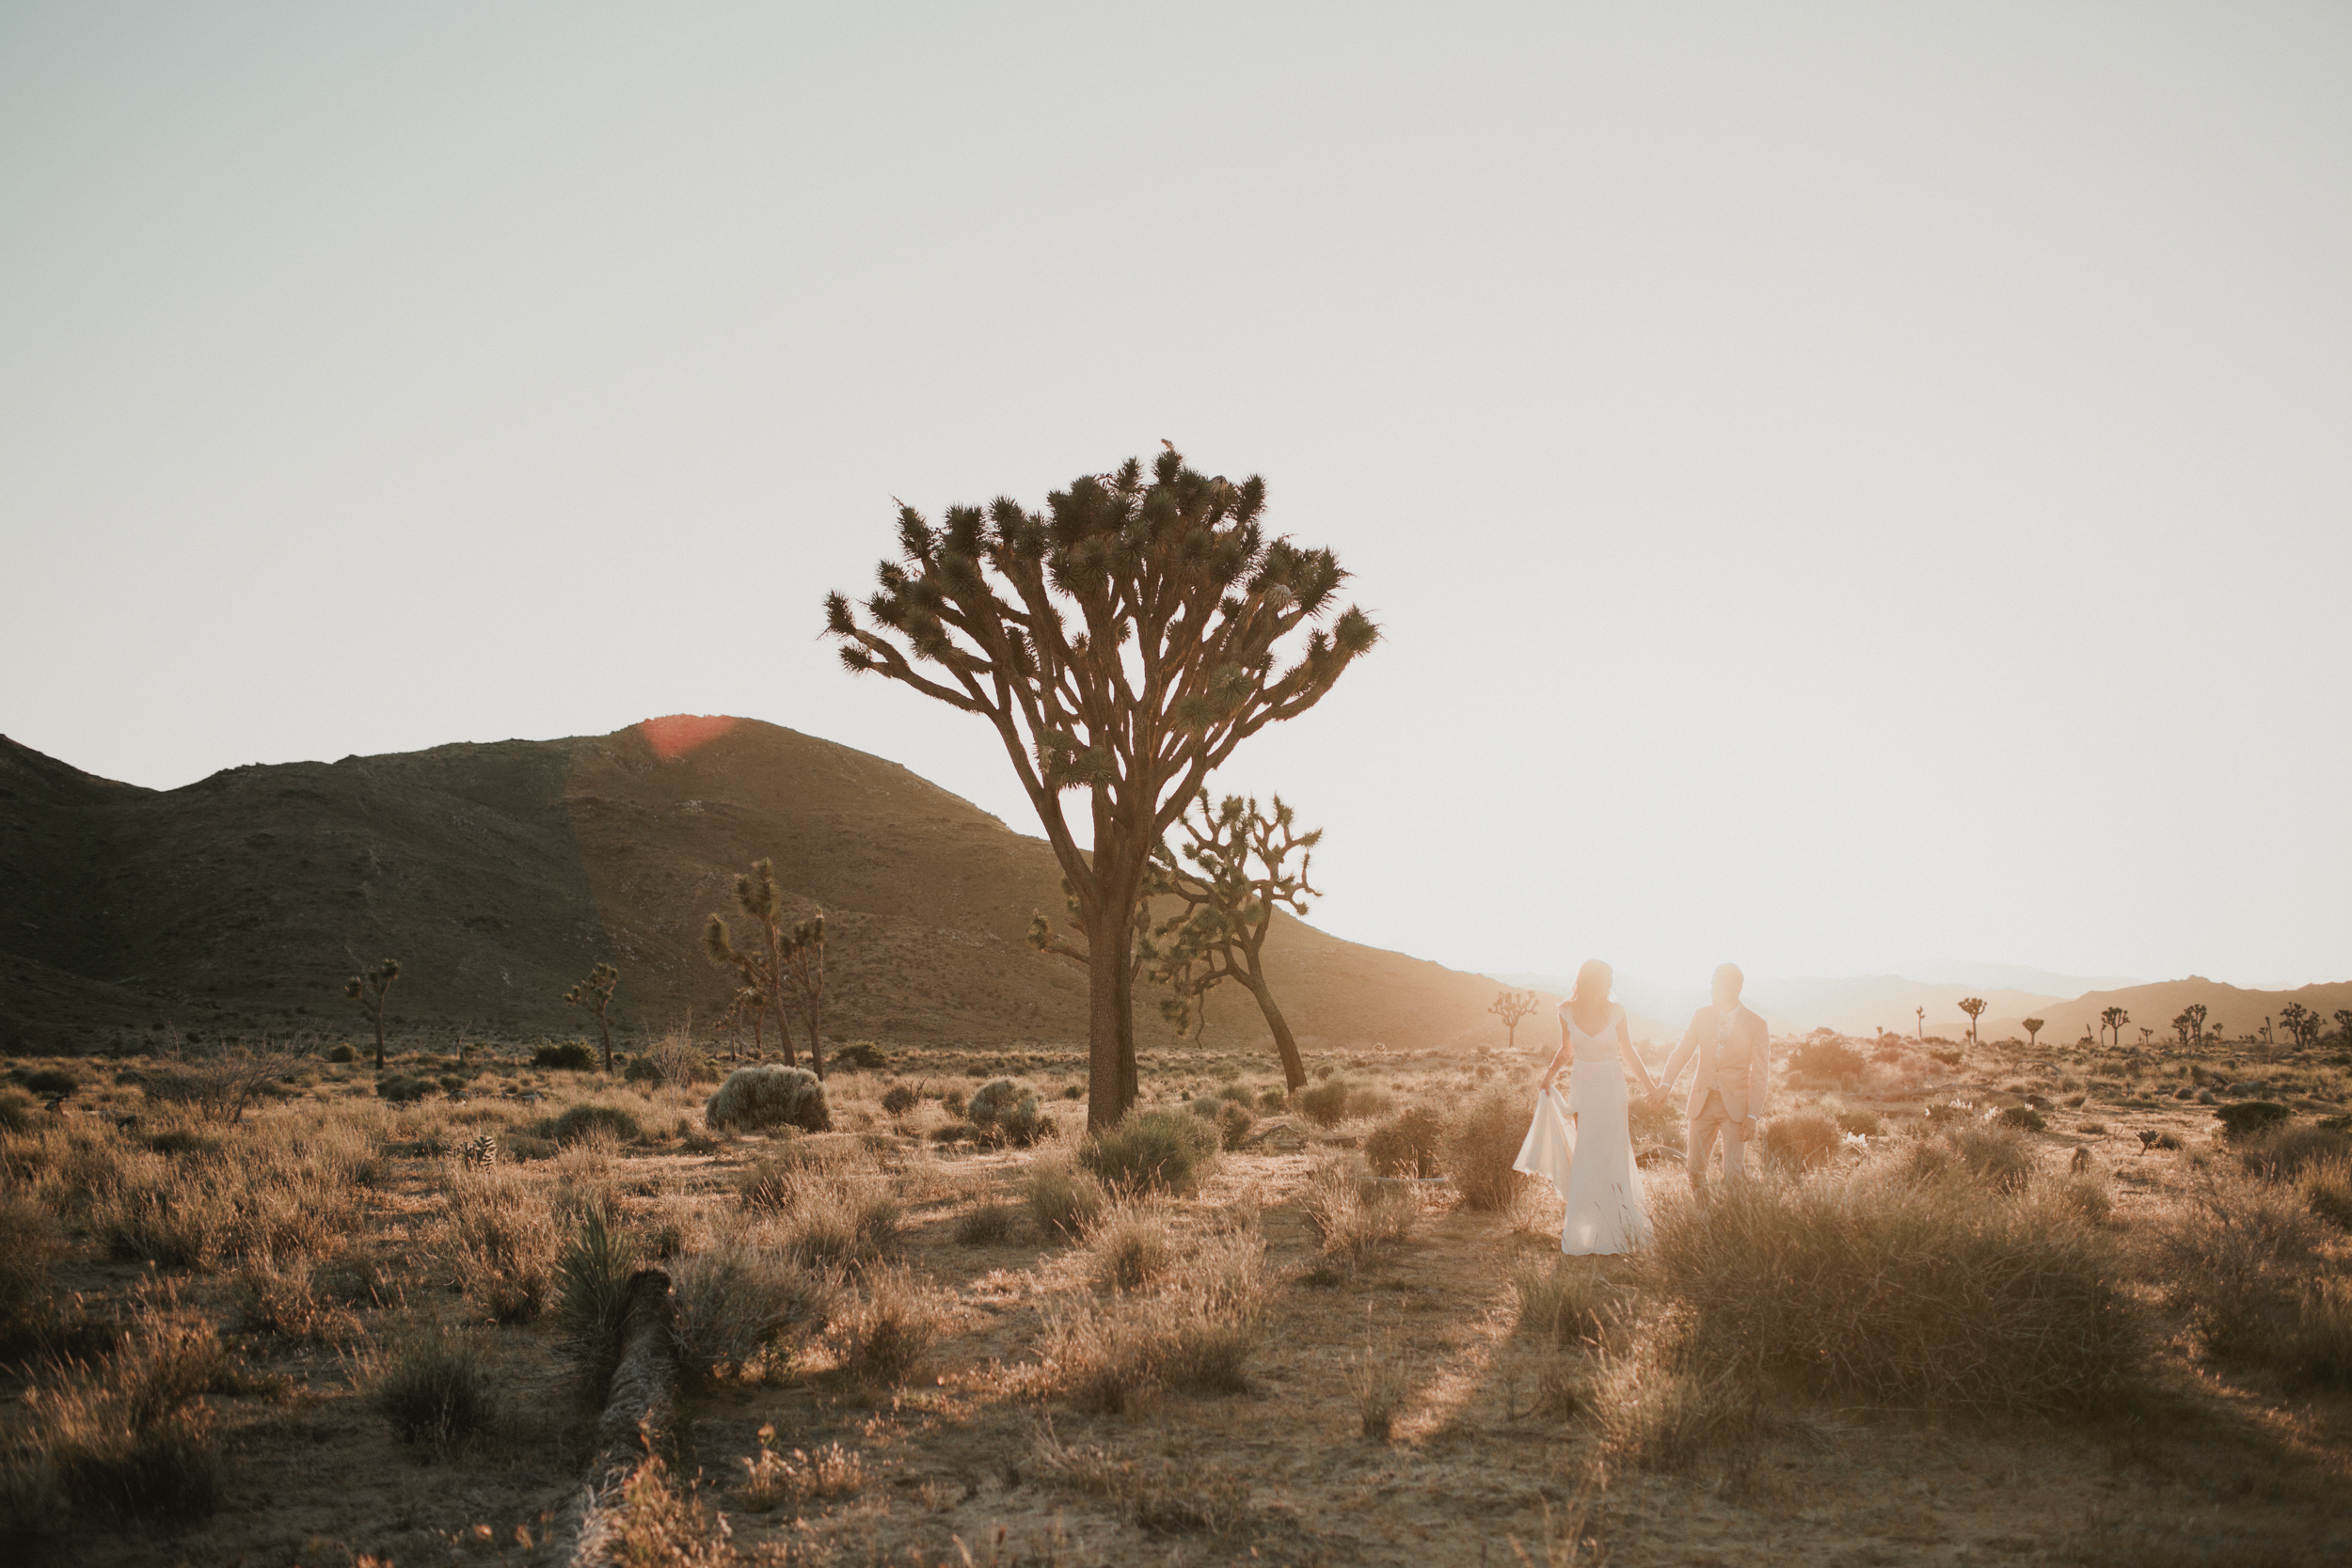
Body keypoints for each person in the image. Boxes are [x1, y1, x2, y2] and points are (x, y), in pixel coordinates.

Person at [1515, 958, 1661, 1255]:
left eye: (1611, 978)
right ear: (1591, 980)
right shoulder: (1566, 1012)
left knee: (1613, 1153)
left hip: (1612, 1087)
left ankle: (1620, 1227)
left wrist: (1651, 1087)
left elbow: (1629, 1052)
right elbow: (1566, 1049)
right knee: (1588, 1154)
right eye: (1606, 978)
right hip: (1584, 1087)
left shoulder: (1617, 1012)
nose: (1610, 984)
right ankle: (1585, 1229)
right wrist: (1548, 1076)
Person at [1651, 963, 1771, 1195]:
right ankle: (1703, 1220)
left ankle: (1731, 1223)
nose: (1712, 990)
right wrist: (1665, 1086)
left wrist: (1753, 1114)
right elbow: (1682, 1052)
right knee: (1694, 1171)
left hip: (1736, 1108)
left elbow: (1760, 1073)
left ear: (1734, 988)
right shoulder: (1701, 1015)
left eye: (1716, 985)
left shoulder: (1757, 1024)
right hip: (1702, 1102)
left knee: (1734, 1176)